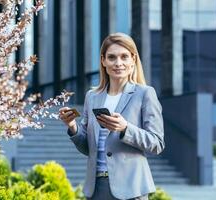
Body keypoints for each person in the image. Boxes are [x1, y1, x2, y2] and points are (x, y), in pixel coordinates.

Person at [59, 32, 165, 200]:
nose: (118, 63)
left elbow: (157, 143)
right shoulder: (92, 97)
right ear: (103, 61)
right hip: (96, 188)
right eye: (112, 57)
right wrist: (72, 126)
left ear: (133, 60)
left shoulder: (145, 94)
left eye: (124, 57)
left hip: (131, 189)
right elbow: (88, 148)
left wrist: (125, 129)